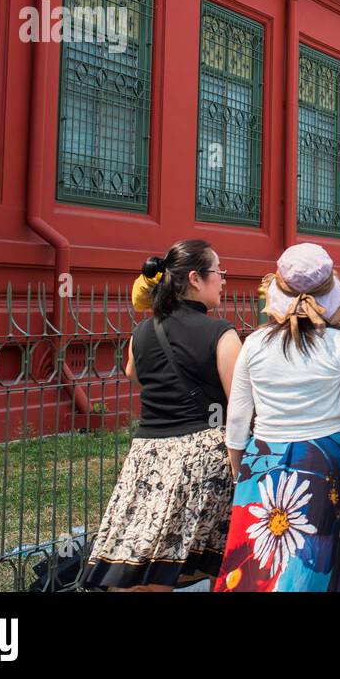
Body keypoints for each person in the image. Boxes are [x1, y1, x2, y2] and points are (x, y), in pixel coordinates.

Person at [214, 243, 340, 592]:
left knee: (256, 570)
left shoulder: (253, 344)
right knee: (318, 567)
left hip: (262, 459)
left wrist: (240, 475)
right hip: (325, 461)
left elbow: (237, 425)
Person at [84, 240, 243, 591]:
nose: (224, 280)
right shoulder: (222, 334)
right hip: (202, 459)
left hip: (147, 460)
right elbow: (242, 408)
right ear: (196, 279)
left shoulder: (142, 332)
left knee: (141, 563)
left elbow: (134, 375)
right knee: (221, 557)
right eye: (219, 272)